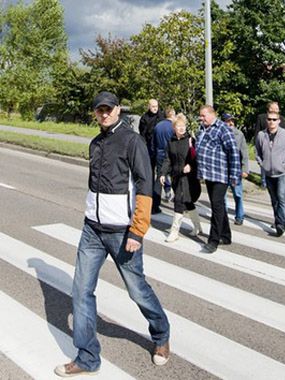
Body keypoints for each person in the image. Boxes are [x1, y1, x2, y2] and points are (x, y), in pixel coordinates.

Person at [55, 92, 170, 377]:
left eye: (108, 109)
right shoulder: (95, 143)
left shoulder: (132, 141)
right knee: (81, 291)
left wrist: (138, 231)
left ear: (118, 109)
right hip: (92, 230)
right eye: (99, 110)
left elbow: (145, 186)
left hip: (123, 233)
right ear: (95, 113)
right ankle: (87, 357)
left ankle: (161, 334)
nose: (104, 114)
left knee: (136, 290)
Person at [196, 105, 241, 253]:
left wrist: (235, 175)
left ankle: (213, 240)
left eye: (203, 116)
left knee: (216, 207)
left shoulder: (223, 128)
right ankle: (226, 235)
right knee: (219, 205)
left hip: (220, 174)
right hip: (208, 174)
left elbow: (233, 152)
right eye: (200, 116)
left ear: (211, 114)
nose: (201, 119)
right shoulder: (203, 129)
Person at [159, 113, 203, 242]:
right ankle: (198, 227)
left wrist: (190, 165)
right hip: (176, 176)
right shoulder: (170, 142)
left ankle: (174, 231)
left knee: (179, 201)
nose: (182, 128)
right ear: (174, 128)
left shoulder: (190, 140)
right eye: (179, 126)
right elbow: (167, 160)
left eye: (183, 126)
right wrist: (162, 173)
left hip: (189, 178)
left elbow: (196, 158)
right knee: (188, 202)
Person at [255, 110, 285, 236]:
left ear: (279, 121)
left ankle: (281, 225)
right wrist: (262, 163)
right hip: (268, 173)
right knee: (274, 200)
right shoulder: (261, 135)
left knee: (282, 198)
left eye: (274, 119)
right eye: (269, 119)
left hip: (282, 173)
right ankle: (277, 220)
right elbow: (257, 151)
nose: (271, 122)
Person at [222, 113, 249, 225]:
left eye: (232, 121)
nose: (231, 123)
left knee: (237, 194)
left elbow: (245, 153)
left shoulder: (239, 134)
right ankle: (222, 216)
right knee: (221, 196)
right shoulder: (220, 134)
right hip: (222, 169)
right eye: (228, 121)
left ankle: (239, 216)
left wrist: (245, 169)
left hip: (235, 169)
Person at [254, 102, 285, 187]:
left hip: (278, 146)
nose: (277, 110)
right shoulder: (261, 117)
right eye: (275, 108)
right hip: (265, 144)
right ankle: (264, 182)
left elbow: (284, 134)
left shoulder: (282, 119)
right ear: (269, 109)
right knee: (264, 163)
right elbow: (257, 132)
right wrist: (257, 144)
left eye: (277, 108)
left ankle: (278, 180)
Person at [151, 108, 176, 213]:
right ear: (172, 115)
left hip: (159, 154)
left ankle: (155, 205)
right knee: (176, 178)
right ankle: (179, 203)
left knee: (159, 179)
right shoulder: (173, 127)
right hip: (171, 154)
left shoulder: (158, 126)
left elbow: (153, 142)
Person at [139, 99, 164, 163]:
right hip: (149, 146)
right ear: (149, 106)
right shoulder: (144, 118)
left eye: (156, 106)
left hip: (160, 146)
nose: (155, 108)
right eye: (153, 106)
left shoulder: (162, 116)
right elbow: (142, 133)